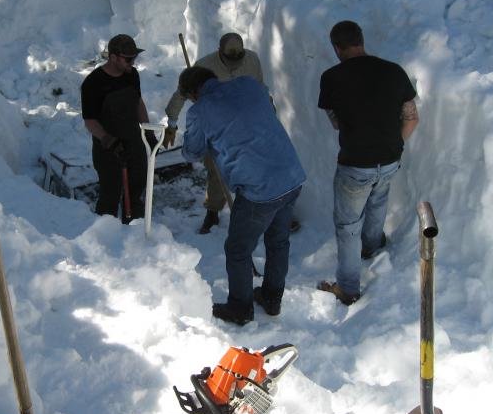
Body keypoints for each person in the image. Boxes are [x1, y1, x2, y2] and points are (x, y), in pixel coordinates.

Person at [180, 67, 306, 325]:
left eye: (192, 98)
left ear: (194, 93)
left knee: (238, 249)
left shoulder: (199, 111)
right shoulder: (250, 84)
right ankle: (272, 298)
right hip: (291, 176)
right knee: (278, 241)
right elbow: (263, 109)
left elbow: (192, 152)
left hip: (259, 190)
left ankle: (240, 308)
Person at [316, 20, 419, 305]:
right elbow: (412, 117)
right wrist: (394, 145)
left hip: (354, 164)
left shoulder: (331, 77)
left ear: (337, 48)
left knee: (348, 224)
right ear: (362, 40)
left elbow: (336, 123)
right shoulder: (394, 71)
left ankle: (348, 288)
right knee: (377, 200)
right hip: (389, 159)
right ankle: (371, 247)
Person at [165, 33, 300, 234]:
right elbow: (181, 94)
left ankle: (279, 213)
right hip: (219, 129)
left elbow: (261, 89)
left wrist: (268, 117)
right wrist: (172, 124)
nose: (234, 65)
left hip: (250, 125)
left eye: (238, 59)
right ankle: (213, 211)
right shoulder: (203, 67)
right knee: (216, 168)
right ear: (219, 53)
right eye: (229, 60)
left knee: (262, 165)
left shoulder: (252, 60)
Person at [81, 34, 155, 223]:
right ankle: (107, 236)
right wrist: (109, 141)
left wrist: (147, 129)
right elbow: (89, 120)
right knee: (110, 193)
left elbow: (138, 102)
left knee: (137, 185)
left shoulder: (131, 75)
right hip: (108, 147)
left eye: (134, 57)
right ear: (113, 57)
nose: (133, 62)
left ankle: (135, 227)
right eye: (128, 58)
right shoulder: (93, 83)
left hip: (132, 139)